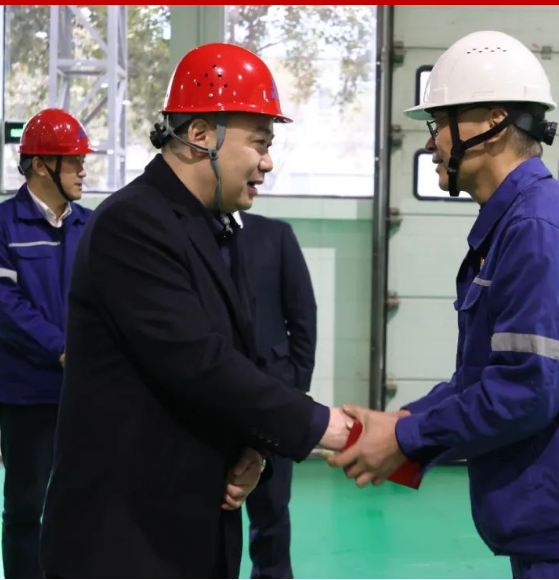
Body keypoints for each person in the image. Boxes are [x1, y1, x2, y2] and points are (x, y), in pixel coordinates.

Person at [331, 30, 559, 579]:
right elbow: (490, 378)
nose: (430, 144)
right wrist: (403, 422)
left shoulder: (539, 231)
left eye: (439, 124)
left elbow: (526, 388)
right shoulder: (523, 225)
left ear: (491, 122)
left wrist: (405, 439)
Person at [39, 43, 350, 579]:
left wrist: (253, 447)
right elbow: (198, 362)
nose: (267, 162)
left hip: (191, 525)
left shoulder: (214, 227)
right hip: (124, 540)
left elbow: (238, 356)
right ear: (202, 134)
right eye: (260, 142)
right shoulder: (132, 223)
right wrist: (327, 426)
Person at [0, 108, 94, 578]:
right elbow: (1, 305)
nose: (83, 170)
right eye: (73, 160)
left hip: (85, 393)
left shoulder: (93, 227)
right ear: (41, 165)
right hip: (27, 394)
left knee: (84, 503)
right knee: (26, 506)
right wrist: (62, 349)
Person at [238, 211, 317, 579]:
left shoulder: (275, 235)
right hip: (206, 394)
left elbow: (302, 312)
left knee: (271, 505)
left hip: (273, 391)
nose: (255, 183)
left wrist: (296, 382)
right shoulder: (188, 233)